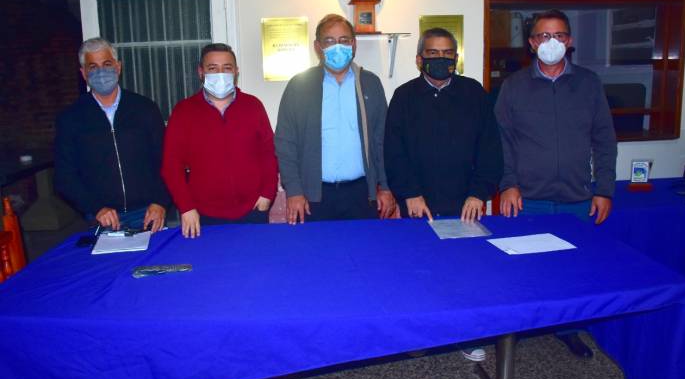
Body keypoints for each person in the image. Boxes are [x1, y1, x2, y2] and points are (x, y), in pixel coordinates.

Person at [494, 9, 618, 358]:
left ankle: (568, 330)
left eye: (559, 35)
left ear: (570, 40)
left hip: (576, 199)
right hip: (527, 197)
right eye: (544, 36)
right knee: (524, 270)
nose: (552, 42)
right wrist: (508, 184)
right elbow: (501, 141)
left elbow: (605, 140)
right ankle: (517, 331)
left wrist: (604, 189)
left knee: (571, 271)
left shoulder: (589, 84)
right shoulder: (514, 86)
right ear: (532, 43)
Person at [275, 13, 395, 224]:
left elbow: (382, 140)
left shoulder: (370, 84)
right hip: (313, 197)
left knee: (363, 245)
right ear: (318, 46)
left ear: (354, 44)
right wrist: (293, 191)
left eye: (344, 40)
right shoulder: (299, 86)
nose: (337, 47)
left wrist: (385, 187)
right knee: (317, 246)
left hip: (362, 194)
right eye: (329, 41)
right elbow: (286, 143)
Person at [384, 27, 503, 222]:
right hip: (416, 206)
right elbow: (393, 153)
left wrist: (479, 193)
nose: (441, 58)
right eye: (433, 53)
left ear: (455, 59)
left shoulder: (474, 93)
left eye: (447, 53)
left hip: (466, 207)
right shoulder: (403, 97)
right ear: (419, 60)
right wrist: (409, 193)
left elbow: (490, 150)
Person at [161, 43, 278, 238]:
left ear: (236, 71)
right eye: (213, 68)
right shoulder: (184, 112)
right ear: (201, 72)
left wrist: (267, 193)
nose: (220, 74)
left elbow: (268, 153)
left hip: (253, 210)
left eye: (227, 68)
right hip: (202, 215)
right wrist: (186, 207)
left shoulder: (253, 106)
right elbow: (171, 165)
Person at [55, 37, 169, 232]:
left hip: (148, 212)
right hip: (103, 217)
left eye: (107, 64)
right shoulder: (71, 118)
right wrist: (95, 207)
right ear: (84, 73)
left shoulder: (144, 109)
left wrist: (160, 201)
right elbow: (64, 176)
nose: (101, 72)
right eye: (93, 66)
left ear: (118, 67)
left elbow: (166, 159)